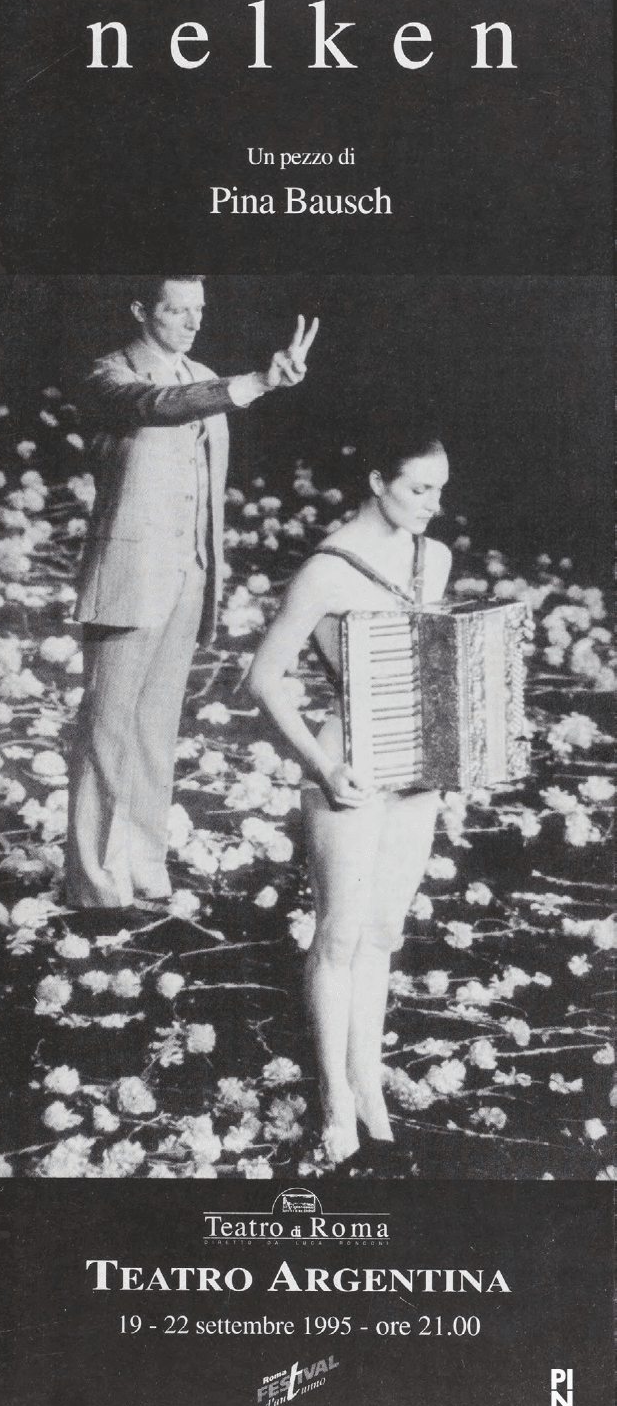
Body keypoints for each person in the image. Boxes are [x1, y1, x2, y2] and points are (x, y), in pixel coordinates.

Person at [66, 276, 318, 908]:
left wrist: (211, 565)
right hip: (130, 576)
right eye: (176, 310)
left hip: (191, 573)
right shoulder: (110, 375)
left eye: (199, 311)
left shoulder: (201, 370)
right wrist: (254, 383)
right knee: (107, 728)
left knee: (155, 729)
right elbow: (159, 405)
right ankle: (93, 881)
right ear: (140, 309)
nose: (190, 322)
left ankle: (145, 864)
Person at [248, 422, 452, 1164]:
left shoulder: (435, 558)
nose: (432, 504)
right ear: (376, 481)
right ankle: (334, 1094)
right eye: (417, 489)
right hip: (347, 763)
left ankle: (368, 1078)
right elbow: (262, 678)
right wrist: (323, 767)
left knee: (383, 934)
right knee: (338, 934)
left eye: (439, 490)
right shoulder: (327, 569)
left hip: (415, 766)